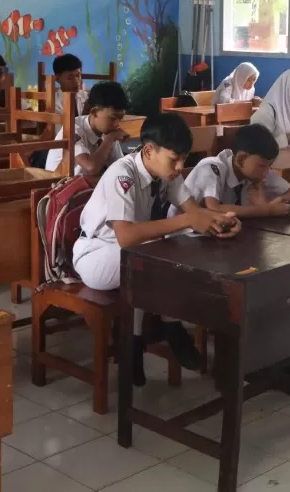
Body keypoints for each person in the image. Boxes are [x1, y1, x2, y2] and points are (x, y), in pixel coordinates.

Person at [74, 114, 237, 381]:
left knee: (173, 247)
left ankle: (137, 341)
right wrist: (187, 221)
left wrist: (222, 222)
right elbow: (126, 237)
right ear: (149, 151)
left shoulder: (166, 172)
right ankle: (163, 329)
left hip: (131, 254)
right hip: (96, 254)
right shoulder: (122, 174)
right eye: (175, 159)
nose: (180, 166)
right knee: (151, 254)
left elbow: (194, 212)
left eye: (184, 158)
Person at [173, 124, 290, 219]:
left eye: (269, 166)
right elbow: (214, 208)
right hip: (182, 237)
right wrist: (266, 210)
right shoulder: (211, 167)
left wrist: (279, 201)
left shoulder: (256, 174)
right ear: (241, 159)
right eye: (262, 166)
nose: (266, 172)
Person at [45, 81, 130, 177]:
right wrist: (110, 139)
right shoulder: (74, 128)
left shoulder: (108, 130)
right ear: (94, 112)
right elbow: (91, 167)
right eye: (113, 118)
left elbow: (119, 166)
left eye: (120, 118)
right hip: (57, 183)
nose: (117, 124)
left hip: (84, 182)